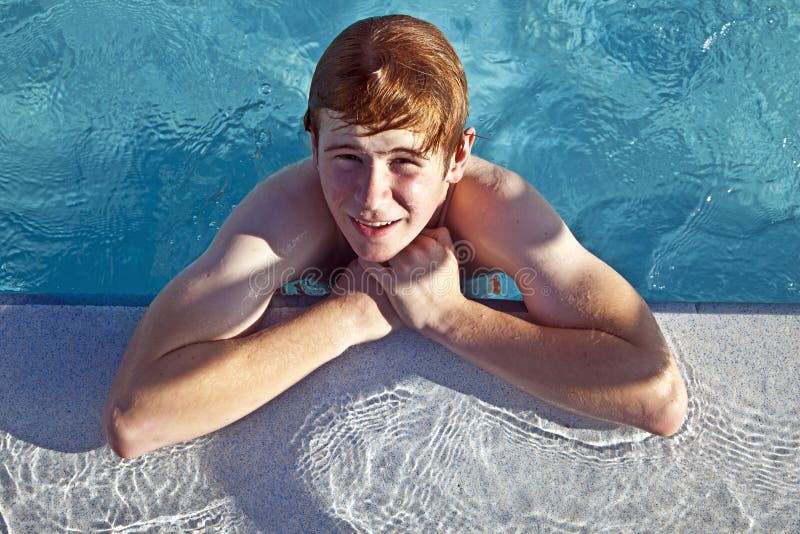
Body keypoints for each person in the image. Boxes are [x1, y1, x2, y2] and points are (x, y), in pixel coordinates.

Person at [102, 14, 687, 459]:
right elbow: (136, 420)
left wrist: (451, 317)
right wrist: (348, 317)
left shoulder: (498, 210)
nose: (370, 199)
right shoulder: (284, 216)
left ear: (457, 155)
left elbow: (657, 396)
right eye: (347, 157)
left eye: (405, 161)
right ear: (312, 147)